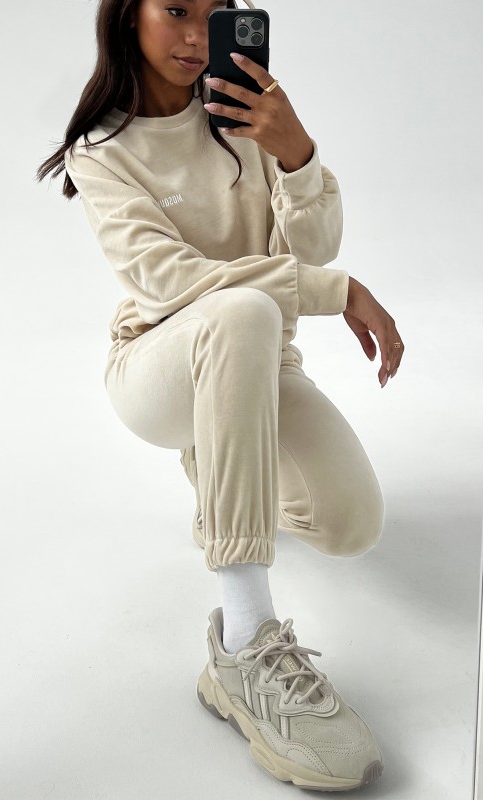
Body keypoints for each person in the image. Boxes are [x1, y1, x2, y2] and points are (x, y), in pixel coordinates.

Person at [36, 0, 404, 791]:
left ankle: (224, 466)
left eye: (215, 13)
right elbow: (170, 282)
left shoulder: (245, 118)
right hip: (158, 366)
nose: (197, 36)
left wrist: (297, 155)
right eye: (175, 9)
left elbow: (311, 252)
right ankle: (242, 642)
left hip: (260, 361)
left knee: (351, 525)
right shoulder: (102, 152)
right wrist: (335, 293)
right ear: (128, 17)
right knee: (240, 311)